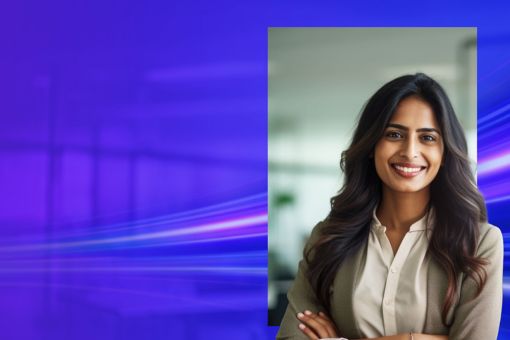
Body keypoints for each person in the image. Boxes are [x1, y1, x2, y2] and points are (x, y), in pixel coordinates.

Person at [276, 73, 504, 340]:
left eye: (427, 138)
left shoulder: (480, 243)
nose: (409, 151)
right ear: (372, 145)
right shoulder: (328, 238)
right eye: (394, 134)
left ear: (445, 153)